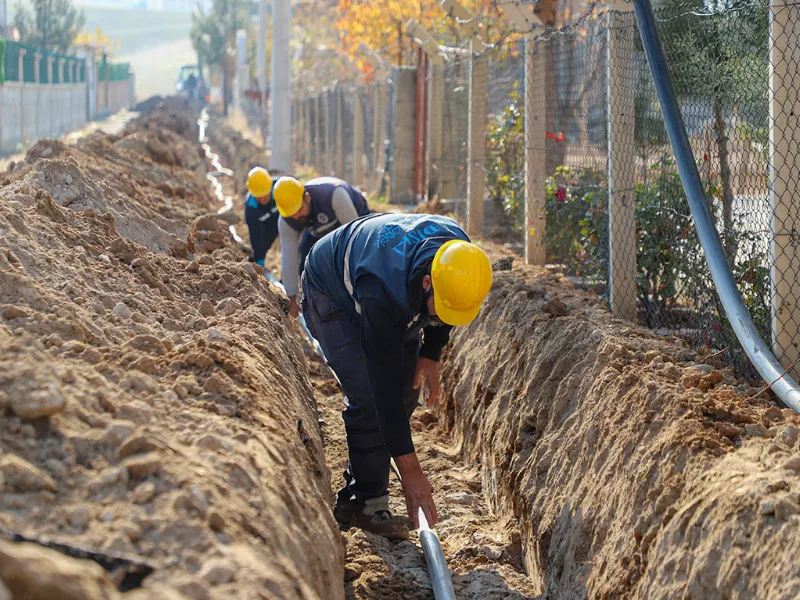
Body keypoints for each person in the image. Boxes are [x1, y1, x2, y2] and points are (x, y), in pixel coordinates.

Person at [301, 213, 492, 540]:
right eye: (438, 308)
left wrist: (430, 352)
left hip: (391, 283)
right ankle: (366, 501)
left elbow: (447, 308)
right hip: (331, 292)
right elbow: (382, 389)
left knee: (407, 390)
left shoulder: (460, 260)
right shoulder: (383, 290)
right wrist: (411, 473)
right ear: (426, 282)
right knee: (369, 395)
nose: (438, 317)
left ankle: (363, 478)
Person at [273, 176, 370, 318]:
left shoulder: (334, 195)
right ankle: (319, 312)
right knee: (306, 266)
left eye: (299, 209)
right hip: (318, 230)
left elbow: (355, 240)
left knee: (345, 268)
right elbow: (289, 255)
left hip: (355, 224)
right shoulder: (287, 219)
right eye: (291, 213)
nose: (296, 216)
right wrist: (291, 298)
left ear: (307, 197)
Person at [244, 167, 279, 267]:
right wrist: (259, 261)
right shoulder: (250, 208)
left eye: (265, 195)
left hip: (284, 218)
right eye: (258, 197)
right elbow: (255, 234)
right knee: (262, 244)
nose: (262, 199)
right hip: (266, 225)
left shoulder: (280, 188)